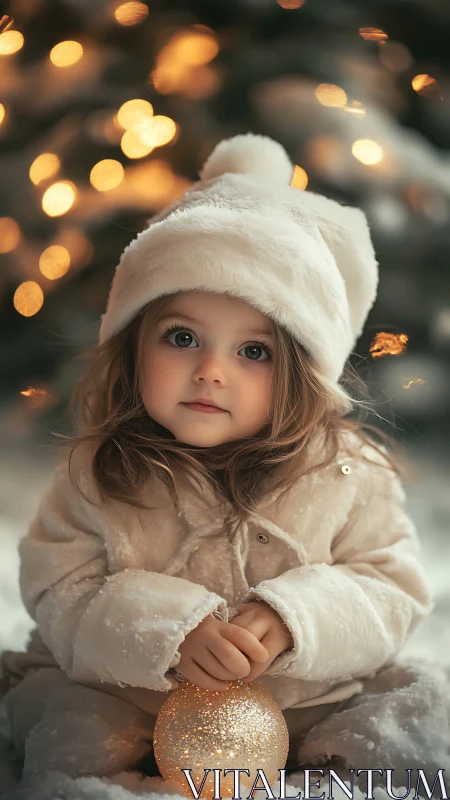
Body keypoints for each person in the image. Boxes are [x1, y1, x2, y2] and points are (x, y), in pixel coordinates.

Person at [0, 133, 442, 795]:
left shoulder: (348, 472)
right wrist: (170, 632)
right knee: (73, 732)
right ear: (133, 345)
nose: (210, 371)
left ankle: (325, 768)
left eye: (254, 352)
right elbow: (60, 589)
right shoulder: (100, 472)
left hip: (313, 697)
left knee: (421, 714)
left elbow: (391, 587)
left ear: (301, 373)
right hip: (139, 702)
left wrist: (294, 620)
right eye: (182, 338)